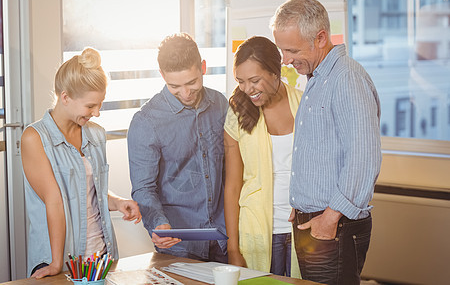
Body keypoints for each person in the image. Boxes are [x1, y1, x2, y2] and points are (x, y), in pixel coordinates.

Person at [271, 0, 382, 285]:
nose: (286, 60)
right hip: (315, 220)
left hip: (335, 223)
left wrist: (330, 217)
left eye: (292, 50)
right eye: (282, 50)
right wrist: (302, 200)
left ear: (321, 38)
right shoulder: (318, 78)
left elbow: (362, 157)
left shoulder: (346, 79)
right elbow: (320, 151)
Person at [21, 47, 142, 278]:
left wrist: (117, 203)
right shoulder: (35, 138)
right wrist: (57, 263)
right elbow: (55, 201)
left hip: (101, 256)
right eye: (90, 106)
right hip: (63, 258)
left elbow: (89, 192)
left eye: (100, 104)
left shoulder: (95, 134)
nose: (96, 113)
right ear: (65, 97)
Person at [127, 33, 228, 262]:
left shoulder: (220, 104)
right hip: (179, 245)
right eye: (175, 86)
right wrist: (157, 223)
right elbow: (143, 188)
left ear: (203, 67)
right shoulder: (146, 122)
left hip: (223, 239)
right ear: (162, 75)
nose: (185, 93)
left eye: (192, 82)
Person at [224, 36, 302, 277]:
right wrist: (232, 247)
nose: (247, 89)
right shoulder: (236, 113)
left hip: (301, 230)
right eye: (241, 82)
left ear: (275, 72)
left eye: (254, 80)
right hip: (255, 233)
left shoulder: (304, 104)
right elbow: (233, 185)